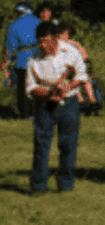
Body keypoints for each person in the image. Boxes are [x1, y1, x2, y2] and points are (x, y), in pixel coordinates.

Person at [26, 20, 89, 193]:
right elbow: (31, 87)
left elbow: (82, 74)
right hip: (45, 106)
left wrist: (68, 87)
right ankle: (38, 186)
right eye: (40, 42)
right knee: (41, 145)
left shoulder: (70, 52)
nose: (43, 46)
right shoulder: (34, 58)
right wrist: (49, 93)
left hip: (69, 104)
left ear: (55, 38)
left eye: (46, 41)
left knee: (68, 144)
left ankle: (65, 185)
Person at [4, 2, 39, 119]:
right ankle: (40, 112)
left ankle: (26, 114)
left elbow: (9, 48)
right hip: (40, 58)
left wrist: (5, 62)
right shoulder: (40, 23)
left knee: (23, 88)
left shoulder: (13, 26)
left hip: (22, 60)